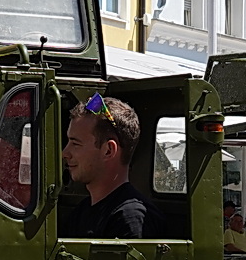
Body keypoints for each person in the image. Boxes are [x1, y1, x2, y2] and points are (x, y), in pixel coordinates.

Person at [61, 94, 167, 239]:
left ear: (108, 150)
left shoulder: (130, 219)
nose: (65, 153)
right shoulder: (81, 212)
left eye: (76, 144)